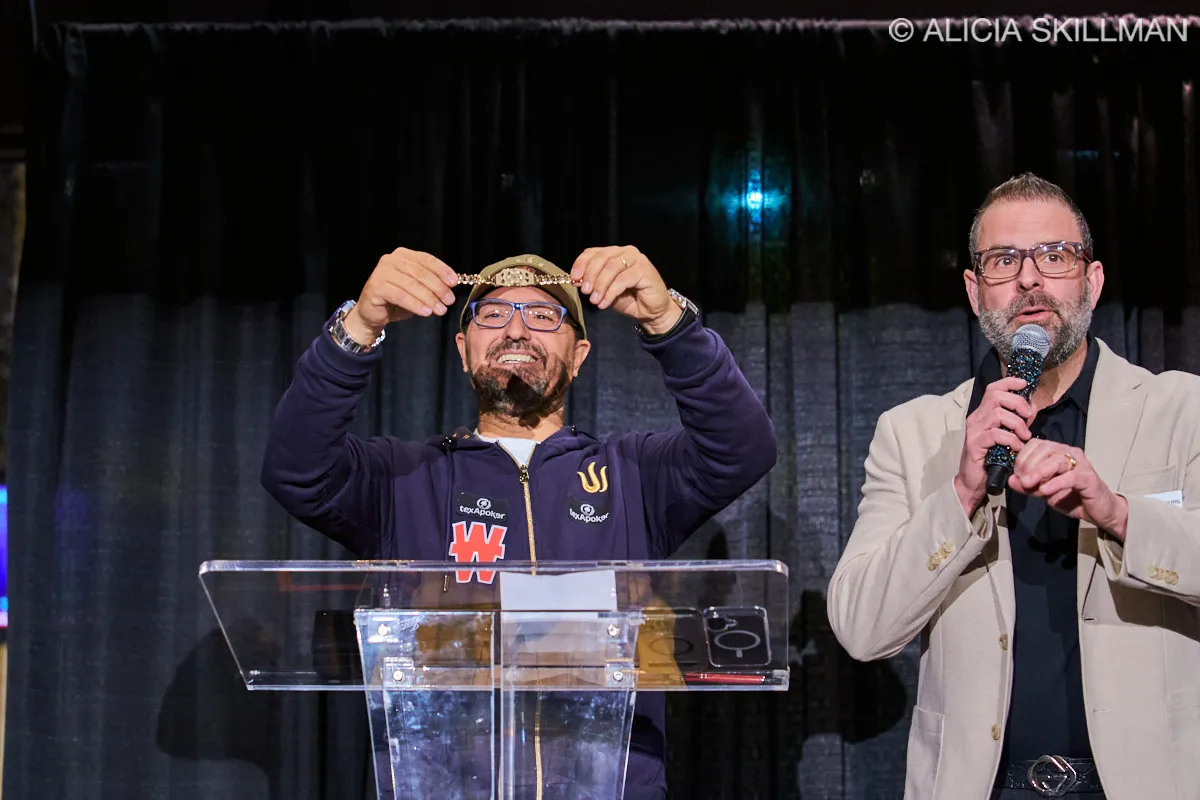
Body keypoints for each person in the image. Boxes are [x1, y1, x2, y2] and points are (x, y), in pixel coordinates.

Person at [261, 245, 777, 800]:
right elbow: (297, 471)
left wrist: (669, 323)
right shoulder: (404, 478)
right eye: (493, 313)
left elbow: (742, 447)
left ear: (579, 356)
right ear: (463, 351)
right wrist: (358, 327)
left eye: (543, 315)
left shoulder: (633, 474)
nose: (516, 329)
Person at [826, 173, 1200, 800]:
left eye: (1055, 256)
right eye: (1003, 261)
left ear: (1092, 281)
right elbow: (862, 627)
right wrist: (960, 494)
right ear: (975, 292)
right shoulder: (914, 433)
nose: (1029, 279)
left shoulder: (1181, 410)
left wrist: (1118, 514)